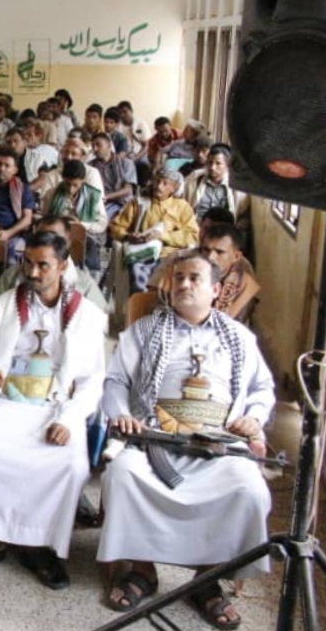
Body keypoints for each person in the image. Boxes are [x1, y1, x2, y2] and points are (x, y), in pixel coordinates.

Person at [99, 250, 274, 629]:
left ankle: (208, 580)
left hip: (219, 442)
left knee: (249, 490)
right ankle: (142, 570)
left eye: (194, 278)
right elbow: (115, 381)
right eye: (178, 277)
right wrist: (122, 414)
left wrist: (254, 418)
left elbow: (262, 388)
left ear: (216, 290)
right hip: (156, 436)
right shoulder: (145, 331)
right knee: (124, 475)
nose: (184, 284)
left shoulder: (239, 338)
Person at [0, 231, 107, 589]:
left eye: (43, 265)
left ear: (62, 266)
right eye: (27, 263)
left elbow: (92, 382)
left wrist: (69, 420)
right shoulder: (7, 304)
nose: (32, 273)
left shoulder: (86, 314)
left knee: (70, 465)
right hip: (8, 399)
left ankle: (38, 545)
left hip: (57, 406)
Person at [0, 216, 109, 314]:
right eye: (40, 237)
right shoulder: (12, 276)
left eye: (54, 239)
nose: (45, 243)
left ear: (67, 243)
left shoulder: (84, 285)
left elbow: (100, 325)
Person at [110, 168, 199, 295]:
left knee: (169, 285)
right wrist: (128, 236)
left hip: (170, 256)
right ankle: (140, 304)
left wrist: (163, 236)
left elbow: (193, 235)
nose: (159, 186)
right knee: (138, 278)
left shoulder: (182, 207)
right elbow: (115, 226)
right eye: (157, 181)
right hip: (143, 253)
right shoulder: (139, 203)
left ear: (174, 188)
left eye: (165, 183)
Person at [150, 223, 258, 324]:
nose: (210, 257)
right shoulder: (178, 267)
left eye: (219, 252)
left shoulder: (244, 283)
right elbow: (158, 308)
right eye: (206, 250)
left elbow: (237, 325)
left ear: (236, 256)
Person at [42, 159, 109, 273]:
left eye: (75, 185)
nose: (71, 189)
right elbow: (46, 219)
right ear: (62, 178)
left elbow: (102, 223)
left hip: (87, 237)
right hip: (59, 236)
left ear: (83, 180)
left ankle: (88, 276)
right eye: (67, 184)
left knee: (90, 259)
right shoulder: (52, 194)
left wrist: (80, 225)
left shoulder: (93, 196)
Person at [183, 144, 249, 229]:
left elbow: (242, 213)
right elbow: (182, 202)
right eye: (210, 162)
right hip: (196, 228)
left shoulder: (236, 186)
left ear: (227, 165)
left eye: (218, 163)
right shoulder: (195, 178)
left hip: (223, 230)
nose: (212, 167)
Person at [89, 132, 138, 219]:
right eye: (93, 146)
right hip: (102, 202)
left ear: (109, 145)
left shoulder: (126, 163)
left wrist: (106, 197)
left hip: (123, 201)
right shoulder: (91, 166)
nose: (95, 149)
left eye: (98, 145)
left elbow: (128, 190)